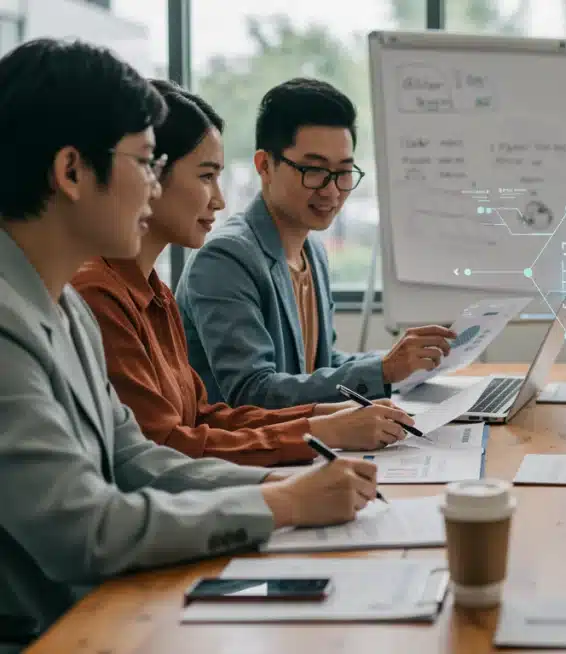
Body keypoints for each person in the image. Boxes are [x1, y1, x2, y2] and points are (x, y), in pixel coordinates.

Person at [0, 38, 380, 643]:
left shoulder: (63, 306)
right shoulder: (15, 323)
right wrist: (283, 504)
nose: (153, 190)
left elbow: (136, 458)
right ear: (71, 172)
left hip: (117, 603)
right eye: (145, 165)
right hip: (64, 630)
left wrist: (279, 486)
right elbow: (85, 529)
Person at [72, 80, 414, 466]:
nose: (220, 200)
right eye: (206, 177)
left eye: (344, 172)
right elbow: (164, 446)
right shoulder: (103, 292)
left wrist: (325, 417)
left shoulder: (156, 293)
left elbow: (201, 416)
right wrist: (321, 431)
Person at [175, 78, 456, 408]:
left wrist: (405, 361)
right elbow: (253, 392)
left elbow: (321, 366)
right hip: (245, 441)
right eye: (314, 170)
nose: (331, 190)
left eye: (344, 172)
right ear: (265, 166)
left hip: (305, 434)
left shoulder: (313, 252)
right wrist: (382, 369)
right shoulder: (226, 258)